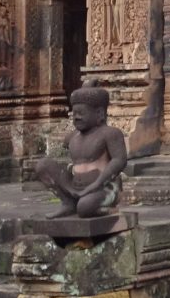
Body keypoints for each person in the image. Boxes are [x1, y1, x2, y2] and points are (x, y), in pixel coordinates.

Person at [34, 86, 128, 218]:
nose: (76, 118)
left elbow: (119, 160)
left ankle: (103, 209)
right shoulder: (72, 137)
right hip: (75, 187)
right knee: (43, 165)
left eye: (81, 113)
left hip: (103, 188)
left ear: (99, 113)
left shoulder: (110, 133)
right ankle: (68, 203)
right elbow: (62, 157)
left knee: (84, 207)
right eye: (74, 114)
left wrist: (97, 184)